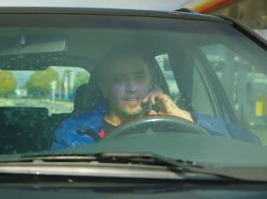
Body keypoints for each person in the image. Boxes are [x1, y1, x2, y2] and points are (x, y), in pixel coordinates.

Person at [51, 48, 261, 150]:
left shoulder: (178, 126)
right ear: (104, 89)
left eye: (139, 76)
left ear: (151, 82)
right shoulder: (74, 132)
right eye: (119, 80)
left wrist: (183, 116)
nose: (132, 88)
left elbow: (251, 146)